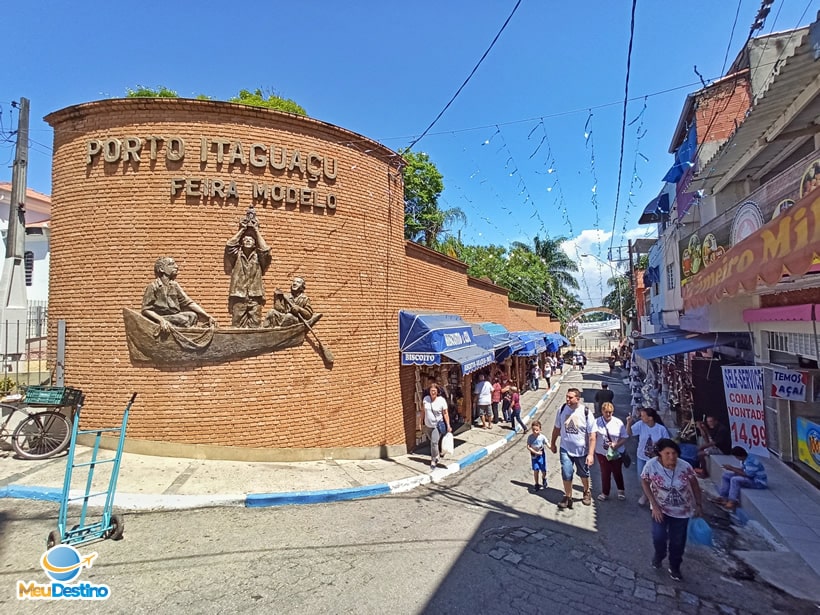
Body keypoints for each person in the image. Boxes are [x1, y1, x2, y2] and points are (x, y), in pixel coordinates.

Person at [641, 438, 703, 582]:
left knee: (677, 542)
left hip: (682, 511)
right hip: (660, 509)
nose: (672, 457)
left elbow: (695, 485)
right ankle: (659, 555)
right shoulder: (651, 466)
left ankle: (675, 566)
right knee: (659, 537)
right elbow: (644, 481)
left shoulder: (685, 466)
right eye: (667, 453)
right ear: (660, 454)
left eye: (674, 453)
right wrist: (654, 505)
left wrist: (699, 504)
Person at [142, 256, 216, 332]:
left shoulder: (174, 285)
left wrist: (207, 316)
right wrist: (161, 320)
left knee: (192, 315)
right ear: (161, 269)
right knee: (185, 319)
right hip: (161, 318)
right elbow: (146, 310)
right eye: (171, 264)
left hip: (174, 317)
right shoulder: (153, 286)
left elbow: (189, 303)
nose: (176, 266)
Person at [550, 388, 596, 509]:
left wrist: (591, 454)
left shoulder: (586, 412)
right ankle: (568, 496)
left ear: (577, 399)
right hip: (565, 449)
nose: (567, 399)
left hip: (582, 451)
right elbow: (557, 428)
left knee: (583, 473)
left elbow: (592, 436)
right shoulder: (562, 410)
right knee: (566, 472)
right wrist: (553, 443)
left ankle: (586, 491)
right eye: (567, 397)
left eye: (570, 397)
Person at [224, 212, 271, 328]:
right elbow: (230, 245)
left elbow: (265, 250)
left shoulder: (258, 257)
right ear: (241, 242)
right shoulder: (236, 255)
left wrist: (256, 230)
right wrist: (242, 230)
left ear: (255, 244)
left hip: (255, 295)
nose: (248, 240)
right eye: (245, 239)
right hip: (239, 295)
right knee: (236, 325)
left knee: (256, 325)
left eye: (251, 239)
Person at [627, 408, 670, 506]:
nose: (640, 417)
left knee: (655, 479)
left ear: (650, 418)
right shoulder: (640, 425)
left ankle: (654, 497)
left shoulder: (661, 429)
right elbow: (630, 433)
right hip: (642, 457)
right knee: (642, 478)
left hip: (656, 459)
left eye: (643, 416)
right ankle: (646, 494)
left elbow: (667, 444)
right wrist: (629, 423)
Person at [715, 446, 768, 511]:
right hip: (750, 478)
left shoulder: (751, 461)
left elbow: (748, 475)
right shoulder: (744, 460)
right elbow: (743, 470)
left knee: (735, 480)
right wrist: (731, 468)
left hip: (757, 482)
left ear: (739, 456)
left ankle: (732, 501)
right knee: (726, 475)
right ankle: (723, 497)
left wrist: (732, 468)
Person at [594, 401, 627, 501]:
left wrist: (616, 445)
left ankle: (621, 490)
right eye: (606, 412)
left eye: (610, 412)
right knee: (605, 472)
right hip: (602, 452)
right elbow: (592, 436)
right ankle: (605, 492)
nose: (608, 414)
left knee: (617, 471)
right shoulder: (596, 422)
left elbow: (624, 437)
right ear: (602, 411)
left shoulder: (618, 422)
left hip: (616, 452)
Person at [422, 383, 451, 470]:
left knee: (434, 443)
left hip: (437, 425)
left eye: (434, 391)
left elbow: (445, 413)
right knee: (433, 442)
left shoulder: (441, 400)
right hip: (428, 425)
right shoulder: (426, 399)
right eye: (431, 391)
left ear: (437, 391)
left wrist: (448, 425)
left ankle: (433, 460)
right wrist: (420, 422)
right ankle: (437, 454)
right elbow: (423, 410)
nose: (433, 392)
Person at [526, 420, 548, 491]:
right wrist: (535, 452)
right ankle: (536, 484)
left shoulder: (542, 437)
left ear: (540, 430)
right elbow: (528, 446)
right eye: (533, 430)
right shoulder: (530, 437)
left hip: (541, 456)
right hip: (534, 456)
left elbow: (547, 443)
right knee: (536, 470)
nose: (535, 432)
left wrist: (551, 447)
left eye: (537, 430)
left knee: (543, 470)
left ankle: (544, 478)